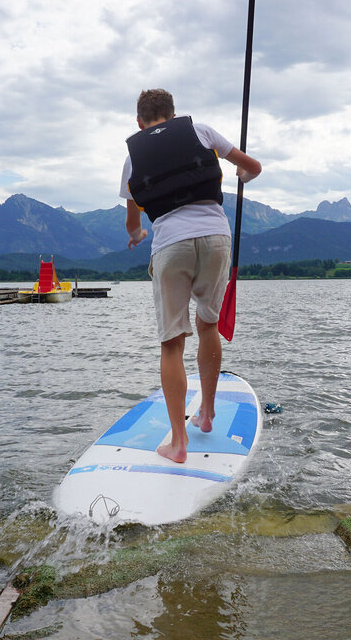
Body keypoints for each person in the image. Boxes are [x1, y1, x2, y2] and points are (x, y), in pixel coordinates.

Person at [120, 88, 261, 463]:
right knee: (208, 325)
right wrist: (243, 174)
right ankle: (208, 414)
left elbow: (133, 222)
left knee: (172, 344)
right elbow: (253, 166)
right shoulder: (203, 132)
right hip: (216, 238)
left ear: (140, 122)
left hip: (170, 245)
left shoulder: (133, 160)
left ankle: (178, 442)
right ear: (173, 113)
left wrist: (137, 235)